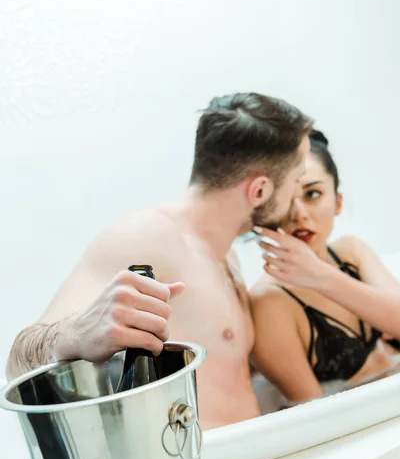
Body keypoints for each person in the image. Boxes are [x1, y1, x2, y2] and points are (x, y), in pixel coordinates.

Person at [6, 92, 313, 429]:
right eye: (297, 181)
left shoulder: (228, 257)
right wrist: (74, 334)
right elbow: (16, 365)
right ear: (260, 190)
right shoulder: (148, 235)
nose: (297, 198)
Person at [251, 129, 400, 404]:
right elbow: (314, 413)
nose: (300, 214)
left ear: (338, 202)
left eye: (313, 194)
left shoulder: (351, 252)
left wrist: (320, 276)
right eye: (284, 200)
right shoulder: (268, 303)